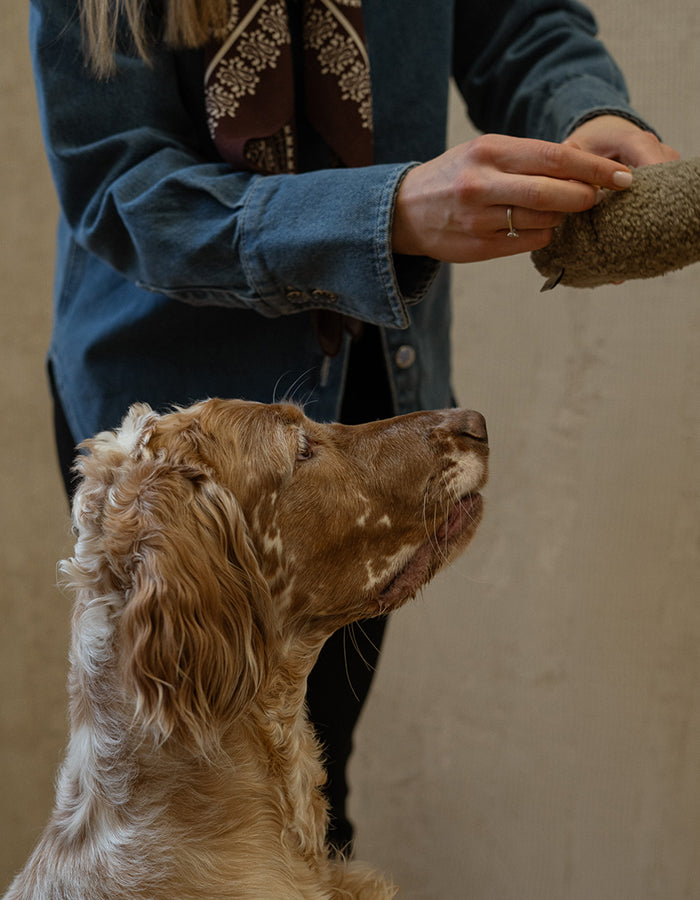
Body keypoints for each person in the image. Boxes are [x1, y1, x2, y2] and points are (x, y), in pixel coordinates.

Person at [30, 0, 678, 852]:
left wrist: (582, 110)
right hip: (170, 443)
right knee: (176, 825)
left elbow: (520, 24)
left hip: (363, 392)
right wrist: (385, 213)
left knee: (311, 801)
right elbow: (122, 185)